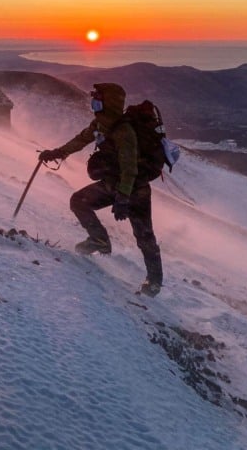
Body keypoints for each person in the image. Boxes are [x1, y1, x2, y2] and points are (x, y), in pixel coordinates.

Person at [39, 82, 163, 297]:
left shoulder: (124, 131)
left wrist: (123, 197)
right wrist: (56, 153)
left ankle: (154, 282)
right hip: (114, 185)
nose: (94, 104)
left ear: (108, 103)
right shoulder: (100, 124)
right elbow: (80, 140)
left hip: (135, 190)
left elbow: (130, 167)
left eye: (98, 100)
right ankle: (99, 240)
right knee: (79, 201)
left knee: (144, 236)